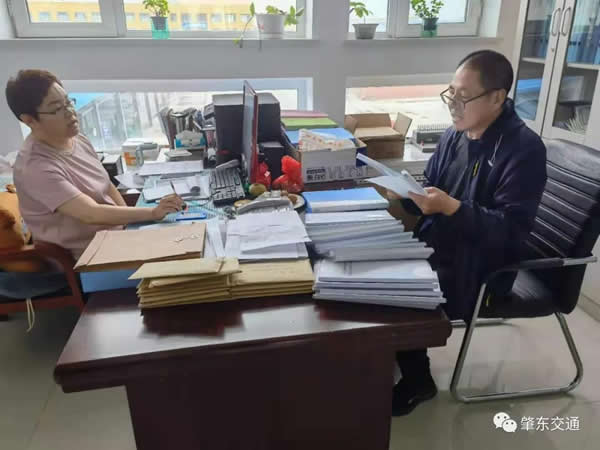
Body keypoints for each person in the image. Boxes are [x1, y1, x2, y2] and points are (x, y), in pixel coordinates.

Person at [391, 50, 547, 416]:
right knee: (379, 265)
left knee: (399, 285)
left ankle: (418, 379)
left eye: (463, 96)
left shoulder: (524, 150)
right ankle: (392, 348)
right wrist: (407, 195)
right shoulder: (455, 135)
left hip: (487, 268)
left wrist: (451, 208)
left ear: (497, 98)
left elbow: (510, 230)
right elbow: (432, 189)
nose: (453, 104)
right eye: (451, 93)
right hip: (442, 244)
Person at [5, 70, 185, 260]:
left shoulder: (76, 139)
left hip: (116, 238)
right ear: (29, 120)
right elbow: (90, 214)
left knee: (186, 236)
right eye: (57, 108)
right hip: (86, 256)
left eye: (68, 102)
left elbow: (107, 187)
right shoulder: (35, 167)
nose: (70, 112)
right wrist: (152, 213)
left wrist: (131, 227)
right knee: (180, 259)